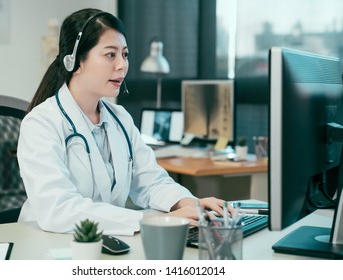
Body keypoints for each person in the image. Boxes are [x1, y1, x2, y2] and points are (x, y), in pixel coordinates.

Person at [17, 8, 230, 234]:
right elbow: (57, 210)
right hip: (45, 243)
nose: (122, 65)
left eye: (125, 54)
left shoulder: (119, 118)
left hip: (104, 243)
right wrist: (152, 221)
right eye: (111, 54)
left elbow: (151, 181)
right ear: (76, 61)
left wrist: (187, 203)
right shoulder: (41, 123)